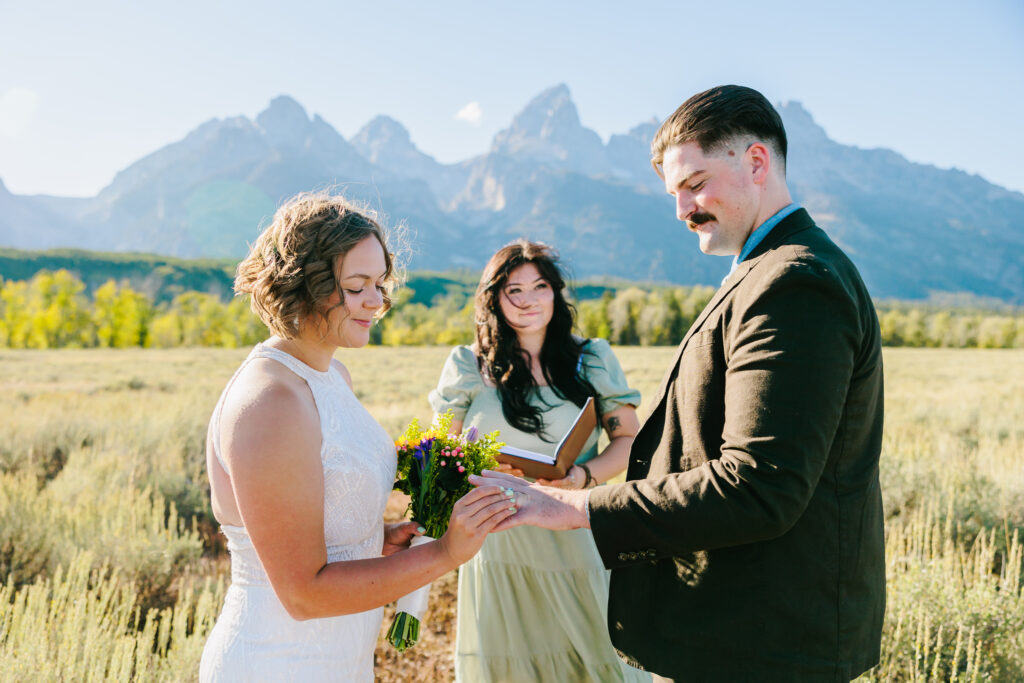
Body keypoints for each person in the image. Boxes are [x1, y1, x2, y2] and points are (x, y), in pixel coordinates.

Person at [471, 85, 886, 682]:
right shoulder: (769, 271)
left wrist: (576, 506)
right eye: (674, 193)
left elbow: (760, 486)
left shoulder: (793, 283)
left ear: (756, 162)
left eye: (694, 184)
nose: (682, 210)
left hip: (767, 642)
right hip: (747, 632)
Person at [198, 192, 516, 682]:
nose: (377, 301)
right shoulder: (271, 402)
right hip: (276, 662)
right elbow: (304, 594)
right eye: (357, 286)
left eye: (380, 284)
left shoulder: (331, 376)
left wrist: (376, 543)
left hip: (341, 660)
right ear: (307, 284)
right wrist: (445, 553)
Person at [429, 239, 650, 682]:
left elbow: (630, 441)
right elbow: (439, 457)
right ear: (494, 297)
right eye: (514, 290)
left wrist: (583, 476)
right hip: (497, 538)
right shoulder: (467, 366)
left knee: (599, 662)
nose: (529, 300)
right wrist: (471, 471)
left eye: (540, 286)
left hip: (576, 531)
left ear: (556, 292)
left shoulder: (592, 359)